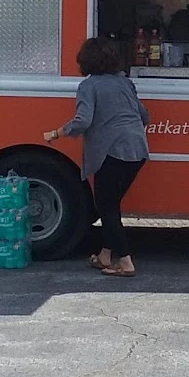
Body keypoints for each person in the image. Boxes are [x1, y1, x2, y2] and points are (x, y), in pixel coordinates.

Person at [43, 37, 150, 276]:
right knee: (111, 204)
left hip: (112, 152)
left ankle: (125, 262)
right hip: (137, 150)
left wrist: (57, 133)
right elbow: (144, 115)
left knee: (106, 207)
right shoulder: (125, 83)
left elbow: (83, 121)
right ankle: (104, 255)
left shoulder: (88, 86)